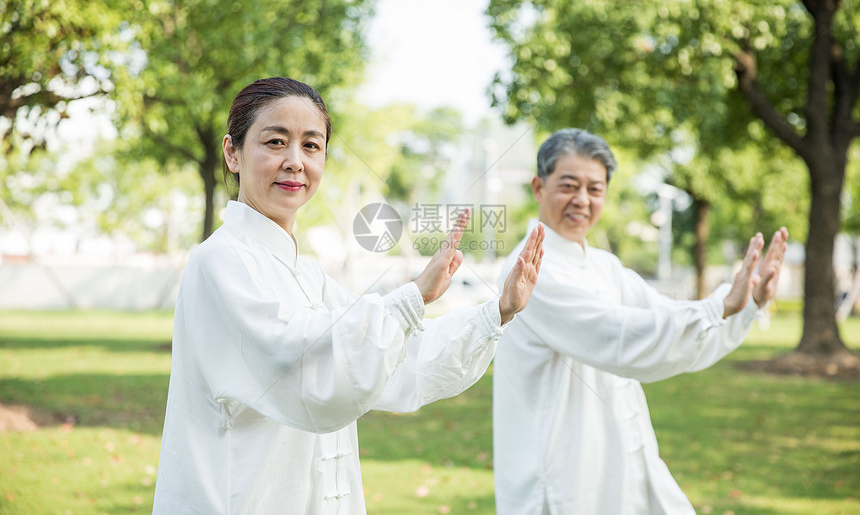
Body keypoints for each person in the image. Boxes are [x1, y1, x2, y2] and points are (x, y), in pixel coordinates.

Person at [152, 76, 545, 514]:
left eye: (311, 145)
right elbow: (299, 360)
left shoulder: (309, 274)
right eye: (276, 142)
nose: (295, 162)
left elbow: (401, 358)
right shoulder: (218, 261)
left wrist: (498, 312)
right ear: (233, 153)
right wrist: (413, 295)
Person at [493, 128, 788, 515]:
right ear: (538, 187)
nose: (582, 200)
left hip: (619, 459)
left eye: (595, 189)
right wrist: (719, 307)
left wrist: (745, 301)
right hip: (560, 476)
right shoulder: (532, 273)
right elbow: (618, 336)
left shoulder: (603, 266)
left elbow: (667, 323)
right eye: (569, 185)